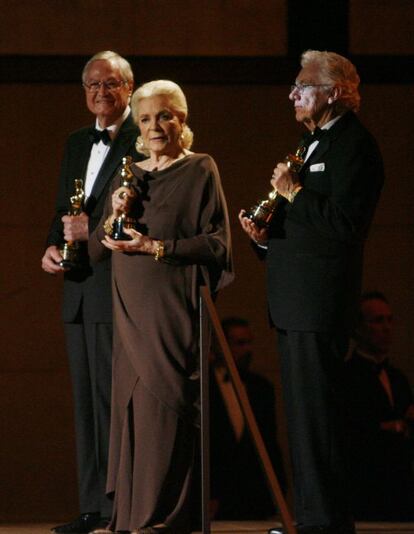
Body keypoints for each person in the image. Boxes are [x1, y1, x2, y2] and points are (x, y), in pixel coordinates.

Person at [239, 50, 384, 534]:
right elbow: (302, 230)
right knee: (301, 419)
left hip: (319, 304)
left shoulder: (354, 147)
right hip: (293, 302)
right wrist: (264, 240)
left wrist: (295, 193)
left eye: (303, 86)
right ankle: (310, 519)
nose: (292, 94)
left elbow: (346, 225)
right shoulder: (310, 145)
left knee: (320, 419)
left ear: (335, 91)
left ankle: (325, 523)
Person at [88, 79, 233, 534]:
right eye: (146, 118)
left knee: (166, 407)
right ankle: (129, 518)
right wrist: (113, 214)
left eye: (164, 116)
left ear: (182, 120)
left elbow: (217, 244)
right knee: (132, 408)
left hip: (170, 309)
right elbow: (98, 245)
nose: (155, 127)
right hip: (128, 306)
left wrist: (156, 246)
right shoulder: (129, 171)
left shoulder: (200, 168)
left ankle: (164, 519)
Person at [41, 51, 141, 534]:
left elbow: (139, 212)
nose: (100, 92)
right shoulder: (76, 141)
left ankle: (117, 505)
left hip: (114, 286)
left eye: (111, 83)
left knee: (110, 401)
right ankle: (90, 506)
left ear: (128, 87)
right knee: (85, 404)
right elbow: (64, 208)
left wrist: (91, 233)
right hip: (77, 288)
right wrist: (49, 247)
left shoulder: (143, 138)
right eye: (92, 85)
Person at [344, 291, 414, 521]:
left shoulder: (397, 378)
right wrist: (395, 427)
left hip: (401, 492)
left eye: (389, 319)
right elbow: (349, 435)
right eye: (377, 321)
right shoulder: (345, 376)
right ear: (358, 328)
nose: (386, 327)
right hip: (365, 492)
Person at [210, 317, 286, 520]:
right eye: (240, 343)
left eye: (249, 342)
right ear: (219, 345)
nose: (248, 349)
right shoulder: (202, 387)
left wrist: (279, 494)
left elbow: (269, 442)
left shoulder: (261, 388)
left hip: (253, 495)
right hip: (216, 498)